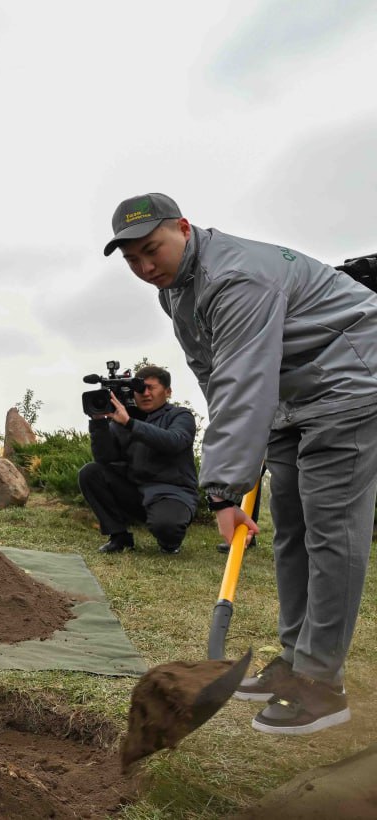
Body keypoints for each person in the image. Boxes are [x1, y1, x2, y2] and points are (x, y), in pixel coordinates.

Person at [104, 192, 377, 736]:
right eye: (132, 260)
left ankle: (323, 685)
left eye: (152, 250)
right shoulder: (177, 291)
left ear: (184, 227)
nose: (145, 267)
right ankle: (297, 660)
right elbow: (213, 375)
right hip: (287, 397)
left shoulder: (236, 279)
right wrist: (243, 462)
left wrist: (224, 491)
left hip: (348, 381)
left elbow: (242, 379)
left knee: (330, 531)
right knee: (291, 530)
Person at [76, 366, 198, 555]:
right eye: (140, 389)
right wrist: (99, 423)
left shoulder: (180, 416)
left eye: (152, 388)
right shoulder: (123, 419)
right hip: (136, 491)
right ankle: (119, 536)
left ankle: (170, 541)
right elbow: (105, 459)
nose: (145, 394)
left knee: (166, 529)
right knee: (91, 472)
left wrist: (130, 424)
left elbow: (174, 442)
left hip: (172, 493)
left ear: (168, 391)